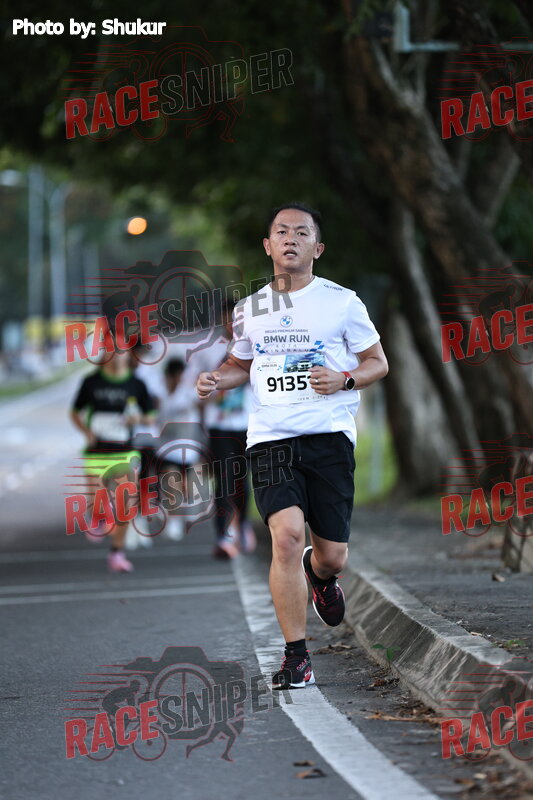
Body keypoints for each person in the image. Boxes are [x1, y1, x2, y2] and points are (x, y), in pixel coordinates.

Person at [196, 203, 388, 689]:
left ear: (317, 248)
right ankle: (297, 657)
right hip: (271, 438)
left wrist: (345, 379)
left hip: (329, 437)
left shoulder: (343, 302)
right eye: (281, 232)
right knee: (285, 537)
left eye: (302, 233)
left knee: (333, 556)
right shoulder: (250, 309)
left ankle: (319, 577)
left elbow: (377, 362)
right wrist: (216, 378)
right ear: (268, 245)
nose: (291, 239)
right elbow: (240, 365)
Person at [70, 345, 156, 572]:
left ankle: (117, 553)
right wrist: (86, 431)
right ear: (104, 354)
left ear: (128, 355)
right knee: (96, 505)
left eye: (121, 351)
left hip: (124, 452)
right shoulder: (91, 382)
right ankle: (98, 515)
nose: (116, 356)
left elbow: (151, 417)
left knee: (126, 504)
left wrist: (137, 419)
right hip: (97, 453)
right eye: (111, 351)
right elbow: (75, 412)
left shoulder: (137, 384)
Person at [196, 300, 255, 560]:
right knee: (223, 480)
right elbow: (192, 386)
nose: (231, 324)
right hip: (219, 426)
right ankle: (222, 535)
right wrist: (205, 394)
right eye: (226, 319)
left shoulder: (255, 343)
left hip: (249, 424)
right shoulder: (208, 350)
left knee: (243, 479)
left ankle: (243, 525)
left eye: (235, 319)